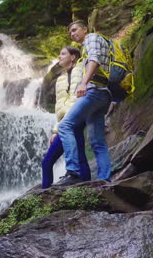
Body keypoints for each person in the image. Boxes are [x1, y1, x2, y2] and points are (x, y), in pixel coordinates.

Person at [56, 20, 112, 186]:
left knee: (65, 126)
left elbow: (94, 59)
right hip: (103, 94)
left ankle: (73, 172)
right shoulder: (89, 44)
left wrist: (83, 83)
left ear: (85, 29)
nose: (72, 34)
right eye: (70, 33)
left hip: (94, 91)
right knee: (97, 142)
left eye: (74, 30)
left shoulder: (92, 38)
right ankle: (104, 180)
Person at [41, 46, 91, 189]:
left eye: (63, 54)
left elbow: (76, 98)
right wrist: (57, 130)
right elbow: (59, 107)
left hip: (76, 118)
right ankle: (45, 195)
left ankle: (86, 191)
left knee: (78, 157)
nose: (59, 56)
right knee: (48, 162)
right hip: (65, 123)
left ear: (73, 57)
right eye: (59, 54)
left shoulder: (82, 69)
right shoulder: (60, 79)